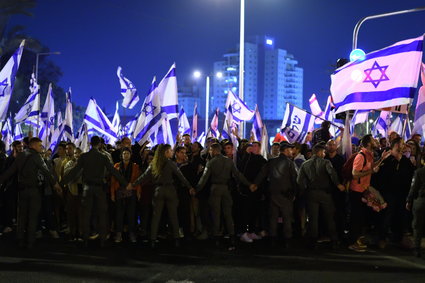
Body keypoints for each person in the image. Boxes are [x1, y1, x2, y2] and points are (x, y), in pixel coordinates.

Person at [61, 136, 129, 248]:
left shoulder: (84, 157)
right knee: (102, 214)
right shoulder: (103, 157)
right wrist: (126, 184)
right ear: (99, 144)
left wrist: (62, 182)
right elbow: (113, 171)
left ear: (90, 143)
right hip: (99, 189)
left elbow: (75, 171)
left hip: (87, 188)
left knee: (86, 215)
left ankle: (86, 240)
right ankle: (102, 240)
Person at [0, 137, 60, 249]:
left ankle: (20, 239)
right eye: (39, 145)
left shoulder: (20, 155)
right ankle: (30, 241)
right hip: (34, 191)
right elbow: (46, 171)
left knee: (21, 216)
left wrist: (1, 180)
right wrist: (55, 184)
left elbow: (10, 171)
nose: (41, 148)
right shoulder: (37, 157)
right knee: (33, 216)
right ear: (32, 145)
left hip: (22, 191)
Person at [131, 144, 195, 248]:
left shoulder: (153, 164)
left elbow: (144, 177)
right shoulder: (171, 163)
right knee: (173, 216)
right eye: (170, 151)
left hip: (158, 190)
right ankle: (176, 239)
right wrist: (190, 187)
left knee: (156, 216)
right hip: (170, 190)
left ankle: (152, 239)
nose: (172, 152)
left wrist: (133, 185)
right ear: (165, 152)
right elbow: (181, 177)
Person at [196, 143, 255, 250]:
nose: (209, 152)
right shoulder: (229, 161)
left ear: (214, 150)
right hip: (226, 189)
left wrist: (196, 189)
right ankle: (232, 237)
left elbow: (204, 179)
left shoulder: (211, 162)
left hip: (215, 189)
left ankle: (216, 238)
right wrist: (249, 184)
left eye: (210, 150)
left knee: (216, 214)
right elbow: (238, 175)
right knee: (228, 214)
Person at [297, 143, 345, 249]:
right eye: (323, 152)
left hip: (311, 194)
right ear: (319, 152)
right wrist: (338, 184)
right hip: (325, 194)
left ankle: (313, 241)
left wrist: (303, 192)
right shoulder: (326, 162)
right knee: (330, 217)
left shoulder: (305, 164)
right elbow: (332, 174)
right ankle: (334, 240)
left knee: (313, 219)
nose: (324, 154)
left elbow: (300, 181)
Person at [348, 134, 390, 252]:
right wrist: (371, 171)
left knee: (362, 217)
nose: (376, 141)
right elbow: (355, 174)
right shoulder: (361, 156)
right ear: (368, 143)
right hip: (356, 191)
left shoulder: (369, 155)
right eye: (373, 140)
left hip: (364, 190)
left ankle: (358, 240)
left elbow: (372, 168)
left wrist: (382, 159)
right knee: (356, 218)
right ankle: (352, 242)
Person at [254, 141, 298, 247]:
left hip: (273, 194)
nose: (292, 151)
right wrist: (295, 193)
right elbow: (295, 179)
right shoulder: (289, 163)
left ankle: (272, 239)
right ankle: (287, 240)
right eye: (290, 149)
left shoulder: (271, 161)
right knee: (287, 218)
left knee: (273, 218)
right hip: (286, 195)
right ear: (286, 150)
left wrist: (255, 184)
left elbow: (262, 174)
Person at [110, 147, 141, 244]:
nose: (126, 155)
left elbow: (138, 180)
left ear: (130, 155)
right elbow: (113, 181)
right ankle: (119, 233)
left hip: (131, 191)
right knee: (119, 213)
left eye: (127, 153)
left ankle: (131, 233)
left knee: (131, 213)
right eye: (124, 153)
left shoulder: (135, 166)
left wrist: (139, 192)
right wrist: (112, 193)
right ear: (121, 155)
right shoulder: (117, 165)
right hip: (119, 191)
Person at [406, 165, 425, 257]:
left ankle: (417, 248)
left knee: (417, 225)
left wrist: (409, 200)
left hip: (421, 200)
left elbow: (414, 188)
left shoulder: (419, 172)